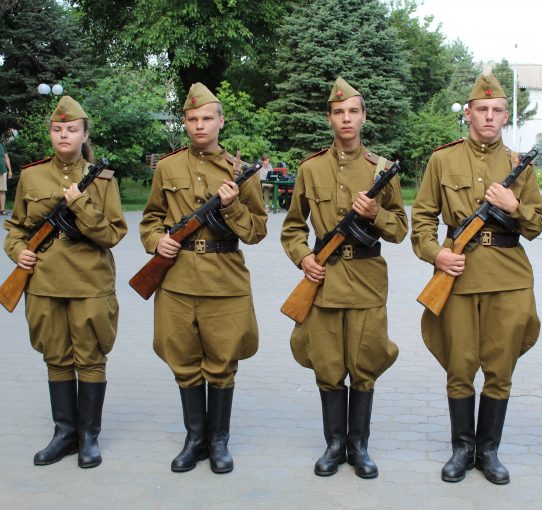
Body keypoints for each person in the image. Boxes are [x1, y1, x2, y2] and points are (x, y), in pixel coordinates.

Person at [411, 74, 542, 485]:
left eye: (496, 110)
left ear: (505, 116)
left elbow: (538, 224)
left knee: (500, 369)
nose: (488, 116)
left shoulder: (519, 165)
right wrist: (438, 254)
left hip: (508, 277)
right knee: (460, 365)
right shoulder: (443, 160)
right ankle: (461, 449)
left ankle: (489, 451)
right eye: (481, 109)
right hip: (459, 277)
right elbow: (421, 220)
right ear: (468, 113)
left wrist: (515, 205)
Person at [281, 77, 407, 479]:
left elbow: (401, 229)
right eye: (339, 112)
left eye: (353, 111)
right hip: (323, 282)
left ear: (364, 117)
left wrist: (375, 215)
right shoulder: (310, 168)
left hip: (368, 281)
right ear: (329, 119)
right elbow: (292, 228)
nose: (346, 118)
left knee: (365, 363)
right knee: (329, 365)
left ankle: (359, 446)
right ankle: (334, 445)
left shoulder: (382, 170)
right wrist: (304, 258)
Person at [139, 83, 267, 474]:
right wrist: (157, 241)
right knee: (184, 361)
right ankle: (194, 439)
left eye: (207, 118)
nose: (199, 125)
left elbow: (257, 231)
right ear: (185, 123)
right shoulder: (167, 167)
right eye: (192, 119)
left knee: (223, 361)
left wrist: (230, 208)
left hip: (224, 281)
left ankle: (219, 441)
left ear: (220, 122)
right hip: (176, 281)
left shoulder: (240, 174)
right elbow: (150, 220)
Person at [3, 96, 127, 468]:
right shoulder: (32, 176)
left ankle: (89, 437)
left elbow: (112, 234)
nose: (64, 135)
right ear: (51, 134)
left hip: (90, 284)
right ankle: (63, 434)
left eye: (71, 129)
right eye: (58, 129)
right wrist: (18, 253)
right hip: (43, 284)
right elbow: (16, 229)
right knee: (56, 358)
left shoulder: (103, 180)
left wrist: (80, 204)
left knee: (90, 358)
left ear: (84, 133)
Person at [0, 139, 12, 214]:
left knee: (2, 190)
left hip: (2, 170)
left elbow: (6, 158)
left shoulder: (2, 144)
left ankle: (2, 209)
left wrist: (10, 170)